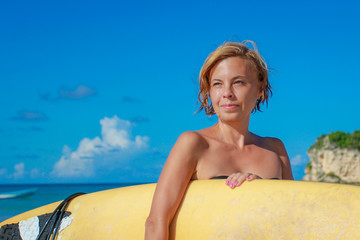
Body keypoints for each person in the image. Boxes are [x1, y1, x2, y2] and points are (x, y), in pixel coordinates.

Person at [145, 41, 294, 240]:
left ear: (260, 89)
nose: (227, 93)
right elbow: (157, 222)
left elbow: (293, 220)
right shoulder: (194, 143)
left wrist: (261, 193)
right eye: (217, 84)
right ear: (209, 91)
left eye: (238, 82)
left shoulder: (276, 149)